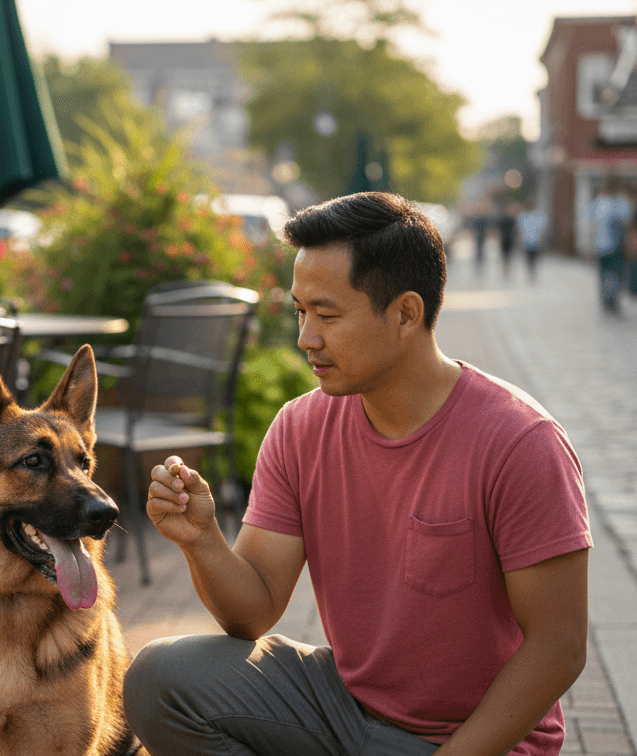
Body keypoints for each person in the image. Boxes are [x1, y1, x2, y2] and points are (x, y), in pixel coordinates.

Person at [122, 192, 591, 756]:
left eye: (327, 315)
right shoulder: (301, 427)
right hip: (345, 710)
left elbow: (558, 648)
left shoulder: (520, 443)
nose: (305, 338)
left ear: (406, 314)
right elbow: (253, 611)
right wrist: (201, 541)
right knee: (162, 679)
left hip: (467, 742)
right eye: (299, 311)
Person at [586, 179, 634, 311]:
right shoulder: (621, 204)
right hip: (615, 247)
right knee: (615, 274)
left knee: (605, 274)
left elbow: (592, 226)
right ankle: (611, 299)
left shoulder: (598, 203)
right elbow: (627, 223)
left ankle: (607, 299)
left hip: (603, 246)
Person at [517, 200, 548, 280]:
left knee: (533, 256)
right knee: (529, 257)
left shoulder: (537, 215)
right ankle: (531, 269)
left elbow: (542, 226)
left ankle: (532, 269)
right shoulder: (523, 216)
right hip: (528, 240)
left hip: (535, 240)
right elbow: (520, 228)